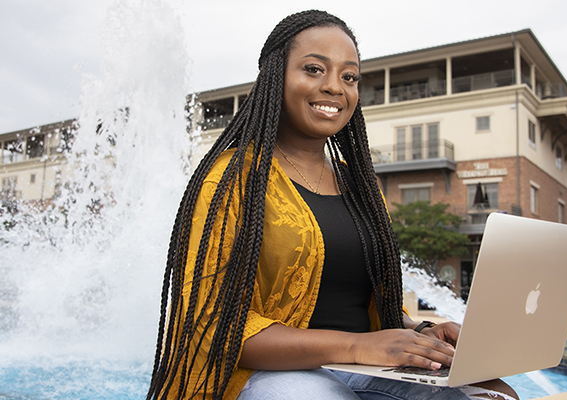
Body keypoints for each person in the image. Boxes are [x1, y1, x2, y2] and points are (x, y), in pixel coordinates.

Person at [146, 10, 519, 400]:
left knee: (490, 394)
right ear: (275, 77)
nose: (334, 87)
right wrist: (357, 347)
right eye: (313, 69)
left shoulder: (360, 185)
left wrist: (419, 333)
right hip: (268, 373)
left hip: (365, 365)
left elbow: (365, 308)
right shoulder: (231, 179)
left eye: (349, 76)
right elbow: (209, 325)